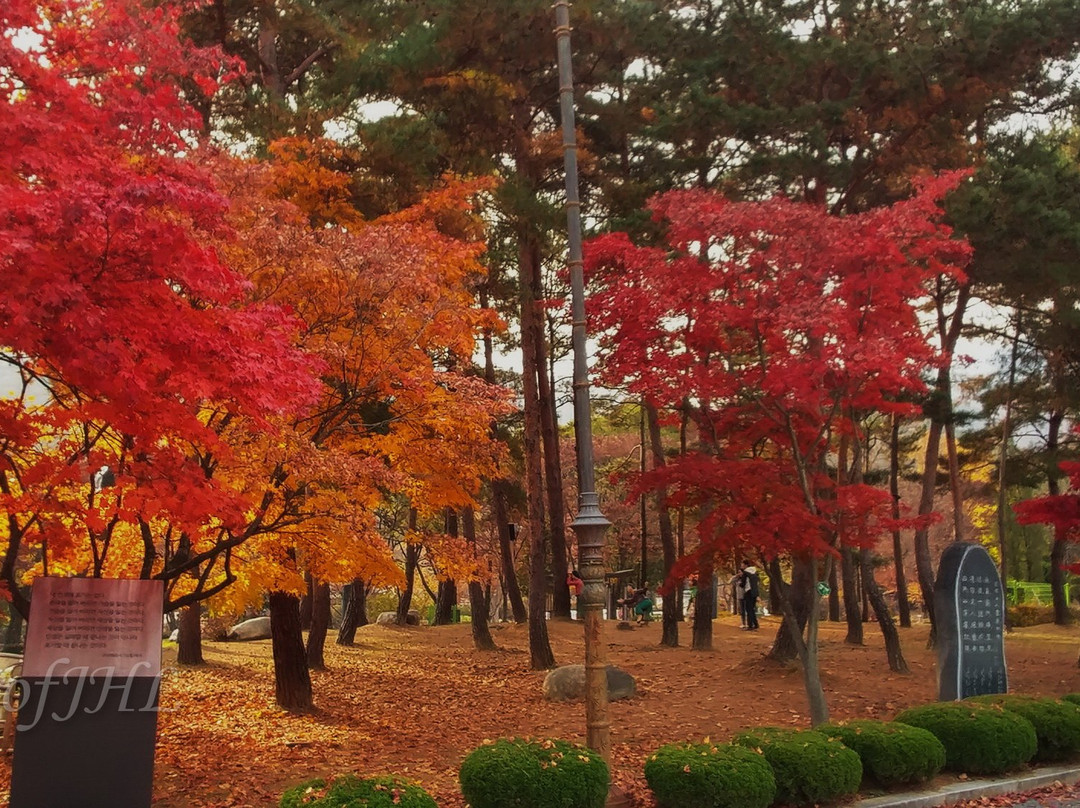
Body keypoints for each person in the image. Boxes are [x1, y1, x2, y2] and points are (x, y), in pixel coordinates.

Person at [739, 560, 760, 631]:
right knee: (752, 609)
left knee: (748, 609)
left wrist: (740, 581)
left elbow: (742, 584)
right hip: (755, 592)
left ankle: (750, 625)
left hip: (748, 592)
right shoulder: (755, 572)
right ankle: (755, 624)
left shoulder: (745, 573)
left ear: (746, 565)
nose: (741, 566)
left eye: (742, 565)